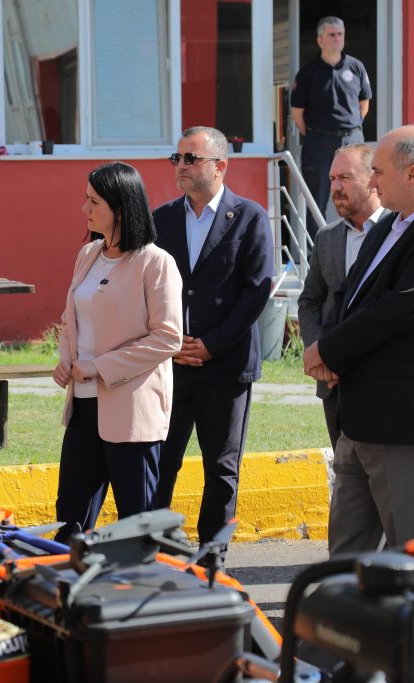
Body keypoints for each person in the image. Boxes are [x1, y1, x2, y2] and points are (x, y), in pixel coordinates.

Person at [303, 125, 414, 555]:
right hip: (357, 416)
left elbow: (395, 312)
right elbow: (349, 298)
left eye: (378, 172)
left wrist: (327, 351)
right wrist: (329, 356)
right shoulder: (390, 227)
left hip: (408, 423)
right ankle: (347, 624)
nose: (371, 181)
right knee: (348, 557)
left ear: (413, 173)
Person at [153, 126, 275, 546]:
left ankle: (211, 558)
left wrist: (211, 345)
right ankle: (154, 549)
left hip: (226, 365)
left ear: (220, 166)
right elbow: (151, 285)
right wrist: (171, 343)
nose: (180, 166)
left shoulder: (250, 216)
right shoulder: (163, 218)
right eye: (177, 158)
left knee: (221, 468)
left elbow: (256, 291)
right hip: (171, 363)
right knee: (161, 461)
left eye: (191, 158)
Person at [52, 161, 183, 543]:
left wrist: (98, 367)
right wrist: (66, 359)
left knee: (135, 525)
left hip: (131, 410)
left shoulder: (155, 263)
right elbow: (70, 318)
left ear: (121, 209)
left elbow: (167, 338)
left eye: (93, 201)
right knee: (70, 519)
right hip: (83, 405)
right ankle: (68, 596)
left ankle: (139, 597)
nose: (84, 209)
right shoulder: (88, 254)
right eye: (85, 199)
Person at [297, 143, 383, 450]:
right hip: (334, 385)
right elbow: (309, 301)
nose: (335, 187)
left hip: (381, 384)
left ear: (373, 179)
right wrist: (320, 354)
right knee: (348, 489)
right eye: (332, 179)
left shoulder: (397, 232)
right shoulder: (327, 237)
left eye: (344, 178)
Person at [290, 16, 372, 239]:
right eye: (332, 35)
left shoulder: (356, 67)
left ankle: (362, 241)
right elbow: (297, 113)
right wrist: (317, 135)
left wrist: (352, 128)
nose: (337, 39)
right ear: (320, 40)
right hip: (319, 141)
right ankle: (314, 252)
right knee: (315, 196)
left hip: (353, 139)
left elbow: (364, 103)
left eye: (340, 34)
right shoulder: (308, 73)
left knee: (361, 191)